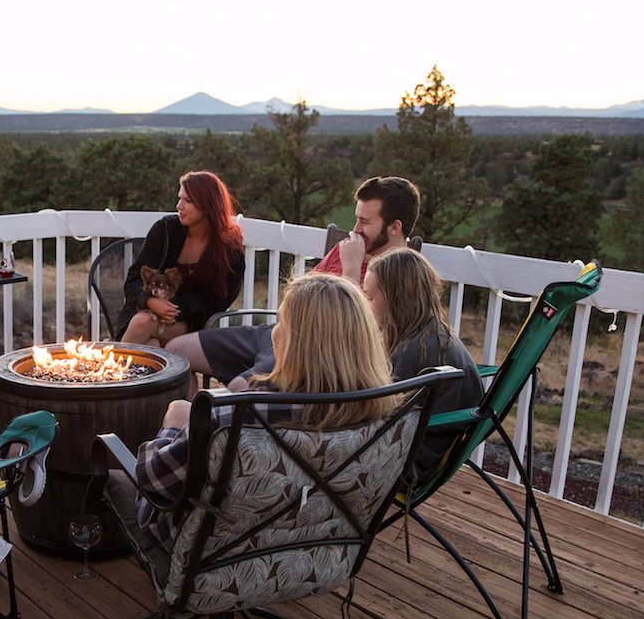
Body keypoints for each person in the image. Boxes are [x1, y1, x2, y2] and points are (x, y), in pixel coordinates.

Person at [135, 273, 400, 547]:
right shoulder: (389, 415)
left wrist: (172, 425)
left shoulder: (239, 415)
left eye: (281, 321)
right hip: (319, 548)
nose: (273, 330)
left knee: (168, 423)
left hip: (217, 550)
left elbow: (154, 480)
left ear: (296, 342)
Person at [166, 175, 420, 392]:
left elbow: (358, 338)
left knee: (239, 388)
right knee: (175, 352)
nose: (355, 229)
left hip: (306, 348)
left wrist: (351, 270)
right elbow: (297, 296)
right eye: (357, 218)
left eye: (365, 222)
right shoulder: (349, 247)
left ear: (394, 227)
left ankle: (204, 439)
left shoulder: (400, 275)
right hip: (276, 330)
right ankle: (180, 431)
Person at [363, 247, 485, 473]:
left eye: (369, 297)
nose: (364, 305)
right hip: (426, 452)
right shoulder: (433, 334)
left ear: (397, 298)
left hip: (405, 464)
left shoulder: (416, 351)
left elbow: (377, 418)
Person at [115, 171, 245, 346]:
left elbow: (217, 303)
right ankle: (176, 374)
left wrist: (173, 307)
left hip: (190, 324)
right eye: (179, 198)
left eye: (188, 200)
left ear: (209, 205)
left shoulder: (229, 250)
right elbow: (133, 281)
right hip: (141, 312)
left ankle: (117, 371)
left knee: (144, 323)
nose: (179, 206)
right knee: (151, 343)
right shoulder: (165, 231)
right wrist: (150, 300)